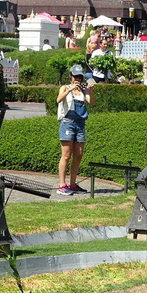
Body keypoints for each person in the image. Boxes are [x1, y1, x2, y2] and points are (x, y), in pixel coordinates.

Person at [56, 64, 93, 195]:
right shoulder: (65, 87)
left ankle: (72, 184)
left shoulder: (83, 90)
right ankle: (61, 185)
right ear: (70, 76)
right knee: (66, 155)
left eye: (80, 77)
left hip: (80, 123)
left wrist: (90, 91)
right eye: (75, 76)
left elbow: (91, 103)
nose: (78, 79)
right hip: (68, 122)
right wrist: (70, 89)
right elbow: (59, 99)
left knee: (78, 155)